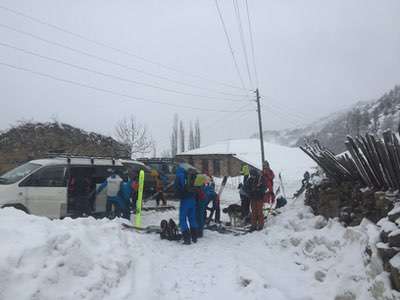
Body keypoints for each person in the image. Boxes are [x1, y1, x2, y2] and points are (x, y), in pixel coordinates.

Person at [175, 163, 198, 245]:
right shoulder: (192, 174)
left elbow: (177, 187)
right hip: (193, 199)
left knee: (182, 219)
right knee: (192, 218)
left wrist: (178, 195)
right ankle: (195, 237)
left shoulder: (180, 174)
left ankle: (187, 239)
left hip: (185, 200)